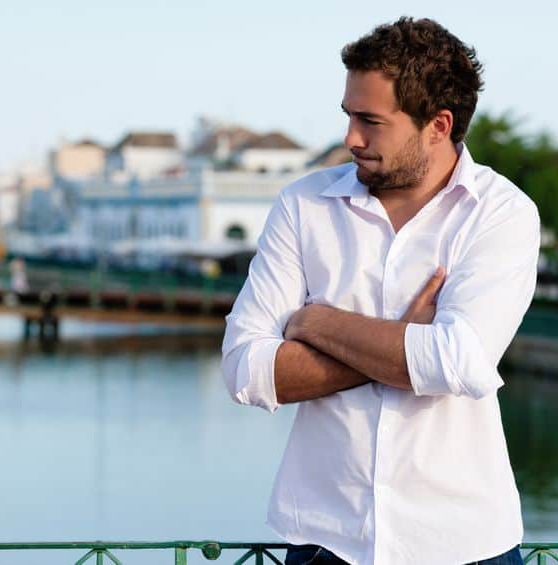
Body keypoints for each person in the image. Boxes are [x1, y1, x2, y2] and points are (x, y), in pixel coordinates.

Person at [221, 17, 539, 565]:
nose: (350, 139)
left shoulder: (502, 214)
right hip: (324, 542)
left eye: (370, 121)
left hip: (463, 544)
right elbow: (245, 371)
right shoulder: (303, 205)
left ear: (438, 125)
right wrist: (401, 346)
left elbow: (456, 363)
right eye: (348, 116)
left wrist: (316, 325)